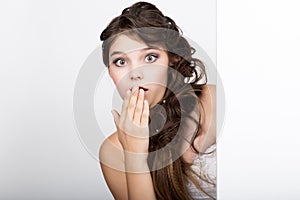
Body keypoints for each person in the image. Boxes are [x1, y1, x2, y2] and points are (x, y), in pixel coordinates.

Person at [98, 2, 216, 199]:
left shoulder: (213, 100)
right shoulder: (113, 152)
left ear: (172, 59)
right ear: (110, 72)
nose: (135, 74)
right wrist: (135, 154)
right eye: (121, 62)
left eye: (150, 57)